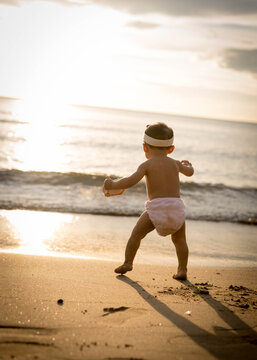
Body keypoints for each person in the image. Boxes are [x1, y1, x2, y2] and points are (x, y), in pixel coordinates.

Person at [103, 122, 194, 280]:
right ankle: (182, 270)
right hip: (175, 208)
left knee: (136, 235)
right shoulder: (175, 163)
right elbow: (190, 173)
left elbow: (130, 181)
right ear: (171, 149)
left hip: (156, 209)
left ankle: (128, 262)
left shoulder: (146, 165)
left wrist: (112, 185)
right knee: (180, 241)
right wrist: (189, 165)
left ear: (145, 147)